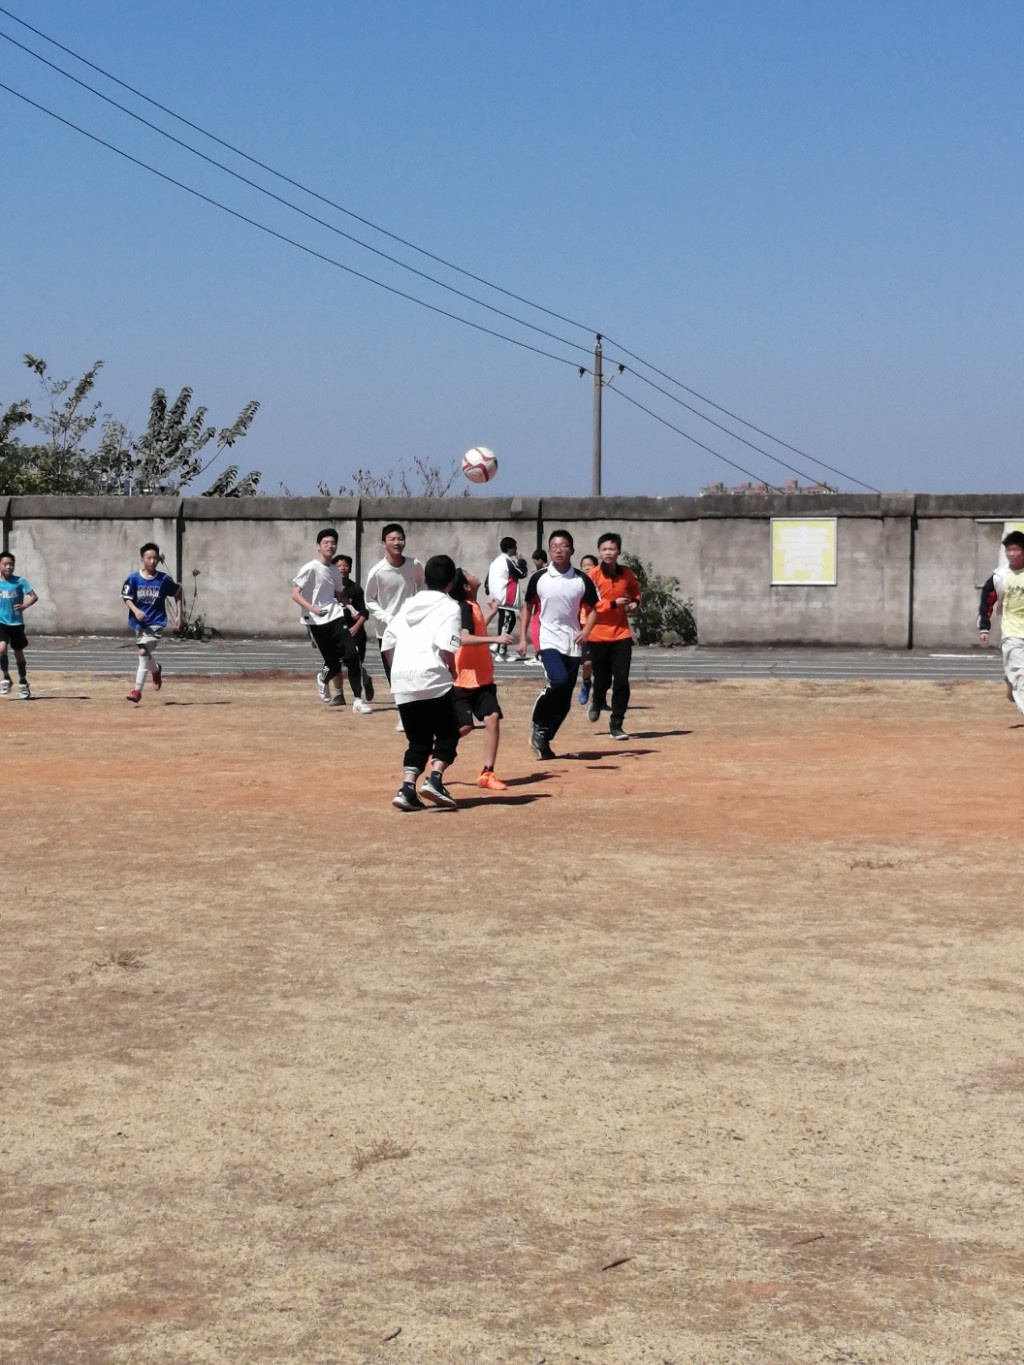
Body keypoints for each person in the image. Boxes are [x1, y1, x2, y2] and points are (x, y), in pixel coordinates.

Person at [383, 554, 463, 811]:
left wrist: (399, 671)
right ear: (451, 582)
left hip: (402, 679)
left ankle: (407, 788)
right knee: (448, 733)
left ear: (426, 578)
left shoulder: (408, 604)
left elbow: (388, 641)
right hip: (432, 677)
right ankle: (435, 779)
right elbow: (446, 646)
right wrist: (453, 671)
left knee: (418, 740)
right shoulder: (450, 607)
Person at [517, 529, 598, 759]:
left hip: (572, 641)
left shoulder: (581, 580)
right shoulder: (539, 578)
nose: (558, 550)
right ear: (549, 550)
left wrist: (586, 630)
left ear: (571, 550)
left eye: (563, 546)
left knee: (565, 701)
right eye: (554, 546)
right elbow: (527, 607)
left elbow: (594, 609)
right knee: (559, 681)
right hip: (547, 639)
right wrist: (523, 638)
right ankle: (537, 724)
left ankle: (544, 739)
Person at [291, 529, 371, 714]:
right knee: (333, 663)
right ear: (318, 546)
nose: (330, 546)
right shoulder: (310, 568)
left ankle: (358, 700)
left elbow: (340, 593)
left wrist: (351, 608)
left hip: (335, 616)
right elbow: (295, 593)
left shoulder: (334, 570)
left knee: (352, 655)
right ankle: (323, 678)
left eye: (333, 543)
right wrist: (312, 608)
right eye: (326, 543)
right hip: (315, 621)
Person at [451, 568, 514, 791]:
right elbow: (465, 638)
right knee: (465, 726)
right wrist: (496, 638)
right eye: (469, 574)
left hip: (482, 678)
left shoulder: (473, 606)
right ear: (466, 586)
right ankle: (437, 747)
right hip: (464, 679)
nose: (474, 574)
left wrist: (492, 613)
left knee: (492, 718)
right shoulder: (464, 607)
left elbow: (477, 629)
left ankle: (487, 773)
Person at [365, 523, 425, 730]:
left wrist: (418, 609)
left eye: (400, 538)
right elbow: (369, 600)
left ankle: (416, 710)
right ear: (384, 543)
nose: (397, 543)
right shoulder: (377, 571)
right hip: (387, 631)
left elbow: (422, 586)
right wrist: (386, 617)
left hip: (411, 628)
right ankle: (403, 714)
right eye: (392, 539)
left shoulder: (414, 564)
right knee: (394, 673)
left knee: (413, 670)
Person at [585, 532, 643, 740]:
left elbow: (635, 591)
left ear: (618, 551)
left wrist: (635, 602)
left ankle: (616, 723)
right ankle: (597, 700)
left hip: (621, 635)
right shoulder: (593, 575)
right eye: (604, 549)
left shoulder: (626, 573)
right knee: (602, 679)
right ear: (599, 552)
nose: (608, 552)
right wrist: (611, 604)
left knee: (621, 680)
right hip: (597, 635)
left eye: (612, 549)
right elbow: (588, 603)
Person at [121, 543, 183, 704]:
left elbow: (178, 592)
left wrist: (179, 615)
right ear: (142, 559)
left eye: (155, 558)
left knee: (143, 652)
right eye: (149, 558)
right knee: (146, 653)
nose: (152, 561)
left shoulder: (163, 579)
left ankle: (137, 691)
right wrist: (136, 611)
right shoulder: (134, 579)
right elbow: (126, 597)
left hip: (156, 622)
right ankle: (156, 670)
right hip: (140, 623)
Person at [979, 529, 1024, 716]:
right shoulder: (1000, 576)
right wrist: (984, 627)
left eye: (1016, 549)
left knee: (1016, 673)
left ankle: (1010, 680)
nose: (1011, 554)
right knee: (1021, 674)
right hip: (1012, 632)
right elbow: (987, 600)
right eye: (1008, 550)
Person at [332, 553, 374, 703]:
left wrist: (356, 627)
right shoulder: (328, 589)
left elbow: (364, 612)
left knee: (354, 665)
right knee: (334, 663)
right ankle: (338, 694)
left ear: (350, 569)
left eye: (345, 565)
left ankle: (365, 681)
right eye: (338, 566)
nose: (342, 568)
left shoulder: (356, 589)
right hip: (336, 634)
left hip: (355, 634)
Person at [0, 552, 38, 700]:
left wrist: (24, 606)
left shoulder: (20, 581)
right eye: (5, 564)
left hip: (16, 623)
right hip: (2, 622)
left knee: (18, 653)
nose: (9, 567)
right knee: (1, 649)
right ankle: (6, 677)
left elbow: (34, 596)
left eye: (11, 564)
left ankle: (23, 681)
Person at [485, 536, 528, 662]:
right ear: (509, 549)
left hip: (498, 597)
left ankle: (497, 645)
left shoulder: (495, 562)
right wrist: (521, 562)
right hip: (505, 598)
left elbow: (487, 580)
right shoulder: (507, 561)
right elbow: (522, 573)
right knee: (506, 623)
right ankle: (501, 652)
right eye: (515, 547)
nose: (516, 549)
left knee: (509, 620)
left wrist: (490, 593)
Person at [577, 553, 599, 705]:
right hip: (584, 629)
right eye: (583, 565)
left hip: (600, 628)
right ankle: (586, 683)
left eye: (589, 565)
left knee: (601, 665)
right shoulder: (578, 584)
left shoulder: (600, 585)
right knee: (587, 663)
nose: (586, 568)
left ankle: (598, 695)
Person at [524, 548, 548, 666]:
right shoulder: (554, 572)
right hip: (546, 608)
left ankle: (539, 655)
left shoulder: (539, 575)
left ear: (539, 560)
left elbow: (532, 598)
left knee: (537, 632)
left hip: (541, 608)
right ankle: (540, 655)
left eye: (535, 561)